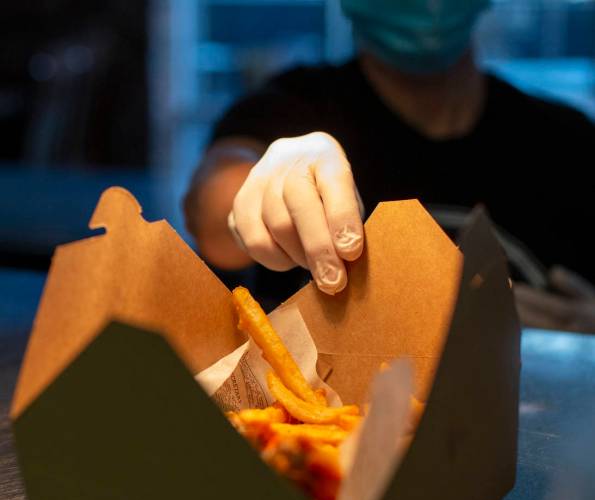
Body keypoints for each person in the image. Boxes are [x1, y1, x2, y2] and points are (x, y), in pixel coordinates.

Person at [183, 0, 595, 330]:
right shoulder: (288, 108)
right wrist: (265, 190)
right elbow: (213, 214)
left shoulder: (568, 142)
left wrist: (580, 346)